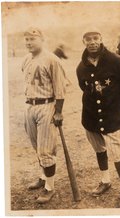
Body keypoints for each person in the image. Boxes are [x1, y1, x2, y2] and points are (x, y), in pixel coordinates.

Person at [76, 29, 120, 208]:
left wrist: (113, 100)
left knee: (118, 154)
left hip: (113, 116)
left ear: (101, 40)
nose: (92, 42)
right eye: (88, 39)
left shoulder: (116, 60)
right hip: (91, 116)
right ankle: (105, 180)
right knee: (100, 150)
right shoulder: (81, 66)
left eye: (95, 38)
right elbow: (83, 86)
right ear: (84, 42)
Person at [22, 27, 66, 204]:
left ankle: (49, 187)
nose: (29, 42)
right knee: (37, 146)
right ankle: (43, 177)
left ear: (42, 40)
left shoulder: (52, 59)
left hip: (47, 105)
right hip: (30, 106)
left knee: (45, 150)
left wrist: (59, 111)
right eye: (27, 39)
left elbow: (60, 90)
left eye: (33, 39)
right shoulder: (26, 59)